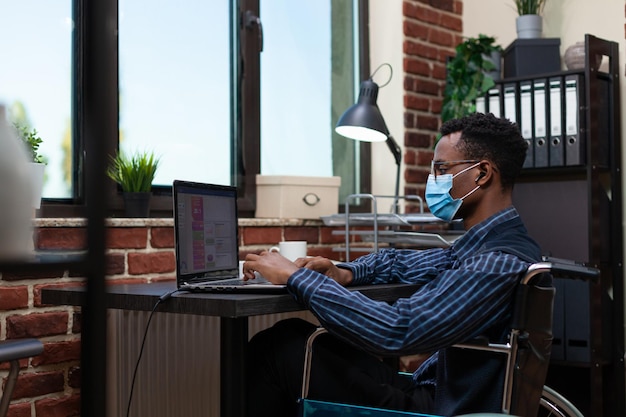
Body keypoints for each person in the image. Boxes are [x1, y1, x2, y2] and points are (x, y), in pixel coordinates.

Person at [242, 112, 546, 417]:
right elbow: (399, 262)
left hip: (443, 407)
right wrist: (346, 273)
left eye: (442, 169)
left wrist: (297, 277)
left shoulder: (496, 263)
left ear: (481, 174)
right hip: (439, 388)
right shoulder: (487, 246)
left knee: (279, 353)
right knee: (293, 334)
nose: (434, 181)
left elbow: (397, 329)